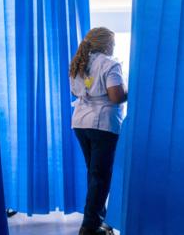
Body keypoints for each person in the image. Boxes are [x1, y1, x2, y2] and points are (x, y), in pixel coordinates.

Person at [70, 27, 127, 235]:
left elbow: (75, 91)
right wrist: (132, 89)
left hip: (80, 123)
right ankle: (90, 226)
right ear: (104, 44)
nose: (113, 46)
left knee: (94, 175)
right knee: (100, 176)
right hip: (102, 124)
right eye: (112, 42)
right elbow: (116, 97)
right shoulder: (110, 64)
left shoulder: (79, 63)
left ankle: (96, 221)